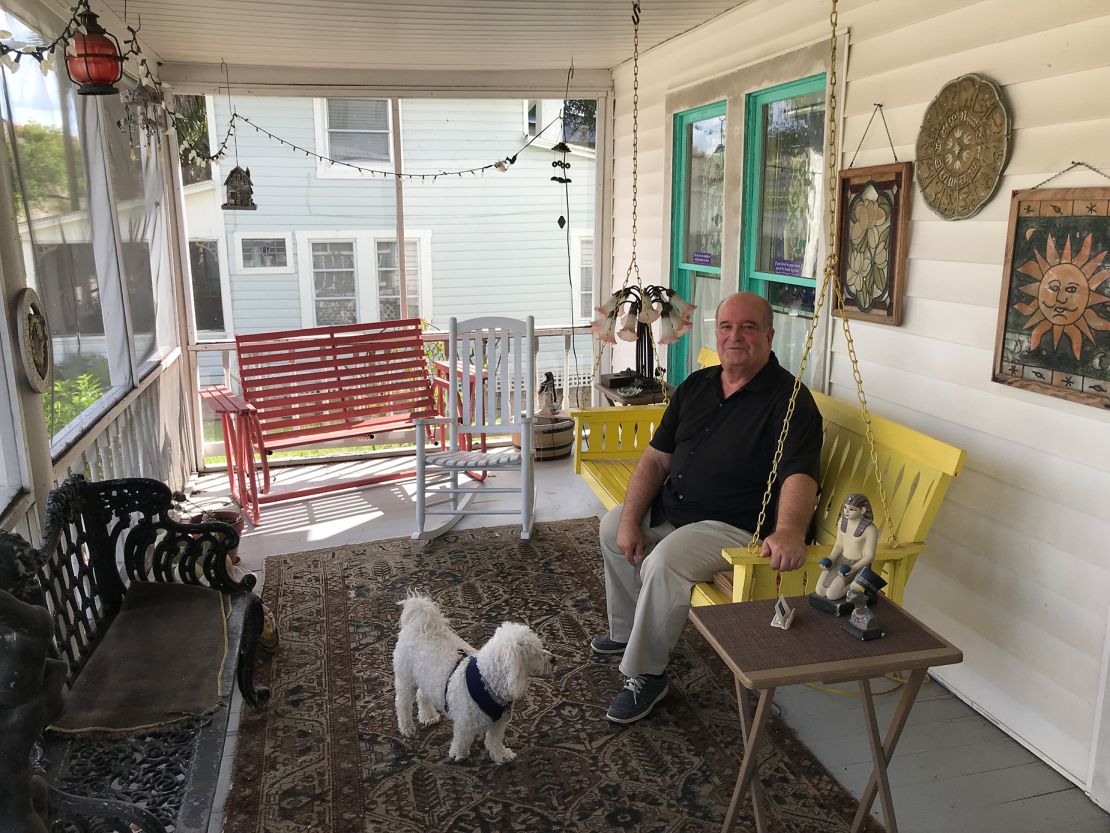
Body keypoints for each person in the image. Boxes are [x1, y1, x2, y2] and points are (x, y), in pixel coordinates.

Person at [592, 292, 823, 723]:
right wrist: (629, 517)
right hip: (678, 509)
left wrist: (790, 530)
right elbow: (656, 458)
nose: (735, 336)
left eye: (749, 327)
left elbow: (799, 474)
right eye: (726, 327)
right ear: (715, 334)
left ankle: (647, 674)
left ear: (769, 336)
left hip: (734, 526)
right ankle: (626, 633)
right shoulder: (698, 386)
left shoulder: (790, 401)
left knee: (664, 562)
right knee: (612, 527)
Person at [813, 493, 878, 602]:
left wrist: (853, 569)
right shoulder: (842, 522)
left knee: (831, 595)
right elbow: (839, 545)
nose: (846, 511)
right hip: (840, 561)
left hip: (856, 565)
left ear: (862, 510)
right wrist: (831, 559)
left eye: (852, 509)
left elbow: (869, 556)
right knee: (820, 591)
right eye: (845, 507)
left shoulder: (870, 530)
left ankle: (860, 586)